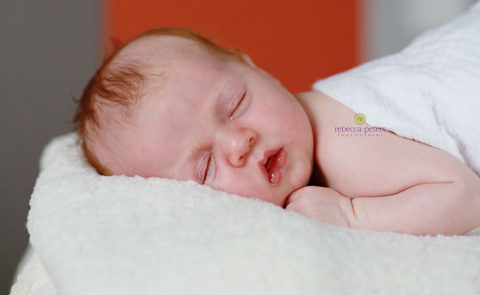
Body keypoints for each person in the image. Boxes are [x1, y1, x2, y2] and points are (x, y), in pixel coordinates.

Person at [73, 26, 480, 236]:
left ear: (254, 67)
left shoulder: (343, 138)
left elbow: (464, 194)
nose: (239, 141)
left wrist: (353, 217)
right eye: (206, 166)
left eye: (234, 104)